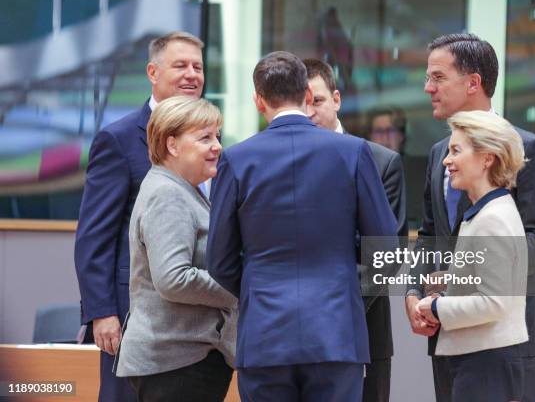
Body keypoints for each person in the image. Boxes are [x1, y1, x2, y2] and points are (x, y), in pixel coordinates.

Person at [206, 51, 398, 402]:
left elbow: (219, 260)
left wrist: (257, 285)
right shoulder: (353, 153)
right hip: (336, 332)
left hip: (264, 333)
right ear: (307, 96)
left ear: (258, 99)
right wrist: (344, 284)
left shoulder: (235, 159)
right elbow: (386, 249)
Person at [405, 33, 535, 402]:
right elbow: (430, 236)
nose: (429, 88)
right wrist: (413, 294)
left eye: (439, 78)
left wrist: (464, 276)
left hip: (505, 337)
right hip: (448, 334)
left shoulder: (527, 149)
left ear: (473, 82)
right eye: (428, 78)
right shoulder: (437, 153)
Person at [74, 31, 205, 402]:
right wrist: (102, 313)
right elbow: (94, 237)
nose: (191, 74)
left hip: (195, 323)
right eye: (180, 65)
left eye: (197, 66)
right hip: (132, 320)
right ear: (152, 72)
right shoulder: (117, 140)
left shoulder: (212, 143)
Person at [115, 96, 236, 401]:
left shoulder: (180, 189)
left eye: (217, 136)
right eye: (205, 137)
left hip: (182, 360)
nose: (217, 146)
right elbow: (173, 279)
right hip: (176, 363)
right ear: (172, 145)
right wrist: (239, 288)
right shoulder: (168, 194)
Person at [303, 57, 407, 402]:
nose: (309, 112)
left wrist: (329, 310)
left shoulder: (380, 162)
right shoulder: (275, 161)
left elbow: (386, 255)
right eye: (301, 103)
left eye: (316, 101)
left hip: (361, 330)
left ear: (336, 99)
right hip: (292, 336)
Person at [416, 110, 529, 401]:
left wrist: (438, 307)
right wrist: (450, 280)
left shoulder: (492, 218)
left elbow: (494, 301)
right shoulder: (488, 211)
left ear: (486, 158)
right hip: (482, 359)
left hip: (485, 363)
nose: (446, 160)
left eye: (456, 150)